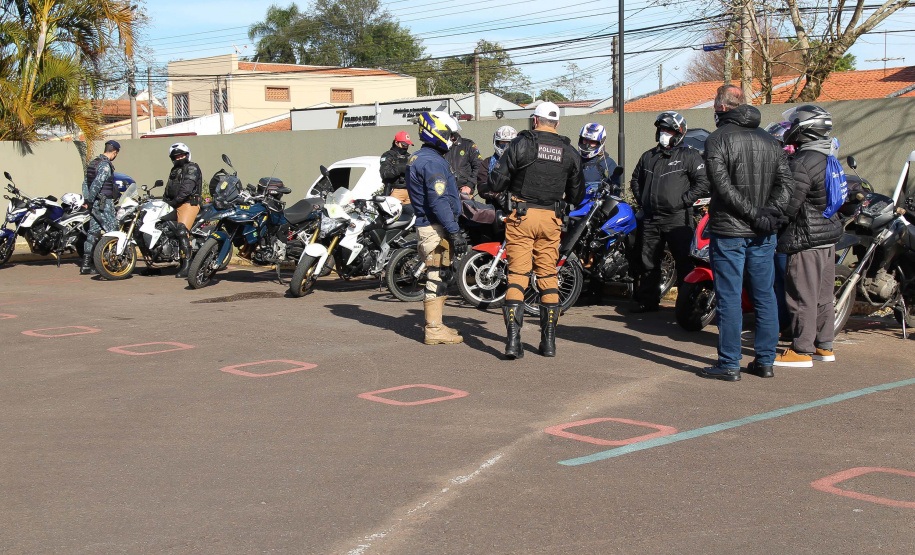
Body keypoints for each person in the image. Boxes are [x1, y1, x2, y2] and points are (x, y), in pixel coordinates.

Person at [699, 85, 792, 382]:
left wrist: (757, 214)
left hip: (730, 229)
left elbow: (722, 187)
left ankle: (729, 364)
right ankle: (765, 361)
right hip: (762, 231)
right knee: (765, 295)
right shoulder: (770, 140)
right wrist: (768, 214)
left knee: (729, 296)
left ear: (721, 106)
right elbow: (785, 185)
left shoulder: (717, 139)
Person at [484, 101, 584, 359]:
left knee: (518, 274)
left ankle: (513, 343)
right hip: (551, 219)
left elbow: (497, 180)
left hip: (521, 216)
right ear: (557, 123)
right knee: (548, 276)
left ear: (535, 120)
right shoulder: (569, 151)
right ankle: (548, 343)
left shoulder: (521, 144)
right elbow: (577, 193)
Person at [775, 105, 844, 368]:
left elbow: (788, 206)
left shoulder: (802, 162)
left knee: (802, 294)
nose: (790, 129)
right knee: (823, 295)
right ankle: (824, 346)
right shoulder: (829, 157)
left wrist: (771, 222)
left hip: (805, 237)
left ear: (804, 129)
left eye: (794, 124)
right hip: (827, 235)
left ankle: (801, 350)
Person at [629, 111, 710, 312]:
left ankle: (686, 306)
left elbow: (702, 181)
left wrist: (684, 201)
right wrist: (643, 200)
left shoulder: (689, 156)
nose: (664, 134)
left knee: (684, 262)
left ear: (679, 133)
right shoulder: (648, 156)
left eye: (669, 130)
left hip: (678, 219)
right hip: (651, 218)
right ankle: (648, 301)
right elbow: (635, 180)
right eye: (662, 130)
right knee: (648, 262)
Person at [406, 111, 469, 345]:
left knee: (441, 274)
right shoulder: (432, 162)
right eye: (450, 136)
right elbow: (438, 199)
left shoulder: (421, 157)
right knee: (436, 275)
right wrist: (453, 230)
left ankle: (438, 325)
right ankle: (433, 329)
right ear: (438, 133)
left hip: (431, 224)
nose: (453, 141)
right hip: (435, 227)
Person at [80, 140, 121, 275]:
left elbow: (85, 183)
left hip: (95, 204)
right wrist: (91, 201)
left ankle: (86, 264)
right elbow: (97, 184)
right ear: (114, 152)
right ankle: (112, 263)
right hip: (104, 204)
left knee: (93, 232)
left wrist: (87, 199)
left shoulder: (93, 163)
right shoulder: (105, 166)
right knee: (114, 232)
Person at [163, 143, 202, 278]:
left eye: (181, 155)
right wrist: (164, 201)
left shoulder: (192, 168)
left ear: (187, 155)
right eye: (176, 156)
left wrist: (175, 201)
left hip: (188, 203)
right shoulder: (174, 170)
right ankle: (153, 263)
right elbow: (168, 188)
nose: (179, 158)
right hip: (174, 204)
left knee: (181, 230)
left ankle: (187, 265)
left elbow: (187, 187)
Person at [477, 125, 517, 206]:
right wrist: (496, 195)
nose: (505, 146)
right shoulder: (487, 162)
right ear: (496, 142)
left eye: (509, 143)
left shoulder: (520, 162)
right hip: (494, 206)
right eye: (502, 143)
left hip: (516, 205)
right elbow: (481, 187)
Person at [444, 126, 483, 197]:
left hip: (464, 191)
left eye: (452, 134)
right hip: (445, 191)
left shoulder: (468, 145)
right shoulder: (442, 147)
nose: (451, 137)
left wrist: (469, 185)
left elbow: (479, 166)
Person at [379, 131, 413, 204]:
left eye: (407, 145)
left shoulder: (409, 156)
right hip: (395, 190)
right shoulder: (388, 155)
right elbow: (384, 173)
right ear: (396, 143)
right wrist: (400, 168)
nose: (406, 147)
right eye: (404, 144)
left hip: (410, 191)